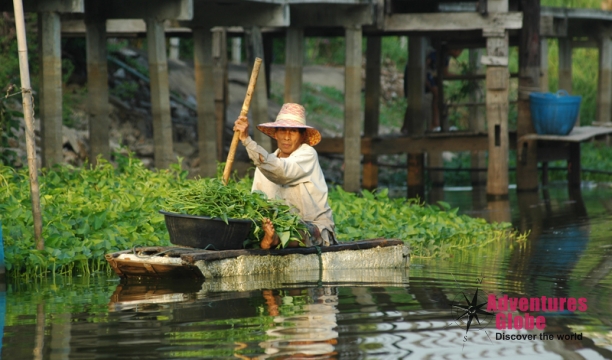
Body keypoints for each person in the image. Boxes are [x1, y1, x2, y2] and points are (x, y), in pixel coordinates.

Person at [233, 103, 337, 250]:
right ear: (275, 134)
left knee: (299, 230)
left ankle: (276, 239)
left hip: (313, 225)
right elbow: (256, 199)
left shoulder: (308, 154)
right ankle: (270, 237)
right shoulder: (265, 165)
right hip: (275, 223)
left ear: (302, 136)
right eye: (282, 130)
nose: (287, 137)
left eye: (293, 131)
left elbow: (282, 172)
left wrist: (247, 141)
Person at [402, 48, 463, 134]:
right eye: (459, 50)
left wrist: (461, 76)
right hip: (419, 71)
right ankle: (434, 123)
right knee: (434, 93)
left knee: (436, 94)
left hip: (427, 73)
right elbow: (426, 66)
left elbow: (445, 73)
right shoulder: (435, 53)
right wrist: (426, 81)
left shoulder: (446, 57)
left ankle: (434, 123)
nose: (459, 53)